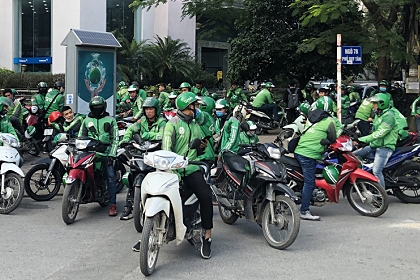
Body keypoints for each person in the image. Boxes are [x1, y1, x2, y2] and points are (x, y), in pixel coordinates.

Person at [161, 91, 213, 259]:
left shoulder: (196, 126)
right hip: (173, 171)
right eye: (194, 106)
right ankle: (150, 233)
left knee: (206, 196)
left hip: (191, 169)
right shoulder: (172, 124)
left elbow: (198, 151)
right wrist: (171, 167)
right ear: (187, 107)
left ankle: (207, 236)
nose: (197, 109)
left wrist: (202, 147)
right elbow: (167, 149)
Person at [119, 97, 167, 221]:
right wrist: (126, 139)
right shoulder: (142, 121)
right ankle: (128, 206)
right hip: (142, 152)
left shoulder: (162, 122)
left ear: (156, 110)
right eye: (146, 109)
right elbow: (131, 129)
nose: (148, 112)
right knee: (132, 175)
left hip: (156, 154)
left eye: (151, 109)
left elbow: (162, 135)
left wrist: (146, 135)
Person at [78, 96, 118, 216]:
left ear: (104, 106)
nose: (97, 109)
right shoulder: (86, 121)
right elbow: (80, 137)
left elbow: (115, 139)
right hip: (90, 153)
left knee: (110, 176)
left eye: (99, 107)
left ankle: (112, 204)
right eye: (94, 107)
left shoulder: (111, 120)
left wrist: (111, 154)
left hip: (105, 152)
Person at [294, 109, 337, 221]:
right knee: (309, 182)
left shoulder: (310, 120)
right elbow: (332, 138)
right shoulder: (329, 122)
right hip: (309, 155)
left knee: (306, 178)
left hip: (299, 151)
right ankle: (304, 210)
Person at [355, 93, 398, 189]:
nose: (372, 105)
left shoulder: (388, 116)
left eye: (375, 103)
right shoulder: (378, 115)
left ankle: (381, 197)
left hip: (385, 147)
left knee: (377, 171)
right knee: (354, 156)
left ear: (381, 104)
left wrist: (362, 139)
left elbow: (379, 133)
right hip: (375, 145)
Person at [196, 96, 216, 168]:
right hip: (209, 154)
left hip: (203, 156)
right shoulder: (212, 118)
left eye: (197, 105)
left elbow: (196, 113)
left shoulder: (204, 116)